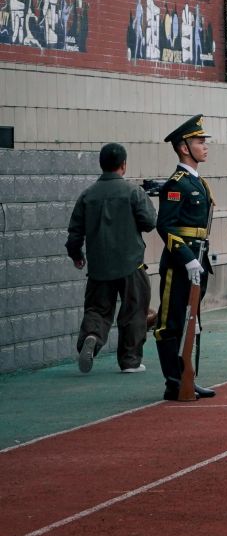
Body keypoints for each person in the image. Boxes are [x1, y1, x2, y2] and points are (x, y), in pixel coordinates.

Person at [67, 142, 157, 374]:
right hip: (131, 263)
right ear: (123, 165)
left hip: (99, 266)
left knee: (97, 309)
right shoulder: (133, 191)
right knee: (134, 311)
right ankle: (130, 361)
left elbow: (75, 232)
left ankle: (92, 336)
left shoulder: (87, 195)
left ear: (101, 164)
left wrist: (76, 255)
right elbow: (149, 222)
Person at [153, 115, 217, 401]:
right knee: (171, 322)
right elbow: (165, 226)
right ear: (183, 147)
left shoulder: (198, 182)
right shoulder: (176, 184)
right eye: (199, 141)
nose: (205, 146)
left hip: (198, 260)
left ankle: (188, 377)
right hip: (180, 263)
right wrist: (187, 258)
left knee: (192, 321)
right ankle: (174, 381)